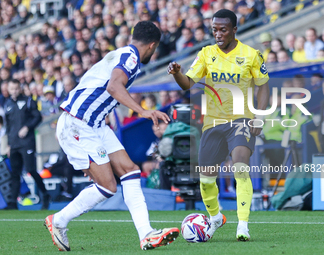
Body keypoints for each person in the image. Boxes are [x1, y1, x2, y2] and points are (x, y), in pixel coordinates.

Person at [44, 21, 179, 252]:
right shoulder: (132, 57)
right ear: (152, 45)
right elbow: (114, 88)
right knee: (107, 186)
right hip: (78, 123)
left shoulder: (122, 54)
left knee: (131, 170)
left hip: (94, 124)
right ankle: (59, 220)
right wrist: (143, 111)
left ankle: (146, 234)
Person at [167, 9, 269, 241]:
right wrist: (177, 74)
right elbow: (188, 84)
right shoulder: (205, 54)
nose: (218, 34)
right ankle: (215, 217)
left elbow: (263, 85)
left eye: (223, 29)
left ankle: (243, 225)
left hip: (241, 120)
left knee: (240, 165)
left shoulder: (251, 55)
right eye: (214, 29)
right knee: (205, 178)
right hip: (212, 123)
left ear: (234, 30)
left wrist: (258, 116)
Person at [5, 79, 50, 210]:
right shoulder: (8, 104)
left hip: (27, 142)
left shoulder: (29, 101)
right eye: (11, 89)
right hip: (14, 143)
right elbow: (8, 127)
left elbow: (38, 117)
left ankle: (45, 195)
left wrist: (27, 127)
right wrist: (8, 144)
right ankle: (13, 203)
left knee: (31, 170)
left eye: (16, 89)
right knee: (15, 173)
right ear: (8, 89)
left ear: (20, 88)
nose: (14, 91)